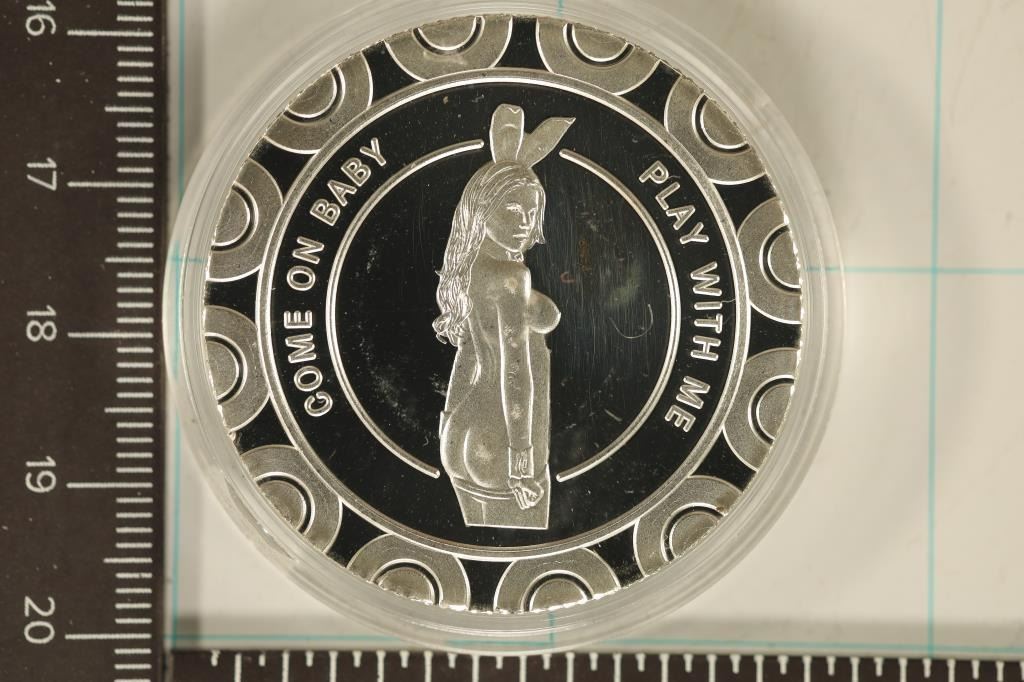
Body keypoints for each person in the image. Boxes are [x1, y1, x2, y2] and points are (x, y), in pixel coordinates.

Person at [433, 104, 574, 529]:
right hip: (501, 446)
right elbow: (516, 369)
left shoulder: (470, 268)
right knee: (529, 551)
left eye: (531, 212)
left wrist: (448, 423)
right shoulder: (512, 277)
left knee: (478, 542)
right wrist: (521, 462)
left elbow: (467, 356)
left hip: (461, 434)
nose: (524, 222)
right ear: (482, 209)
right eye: (511, 209)